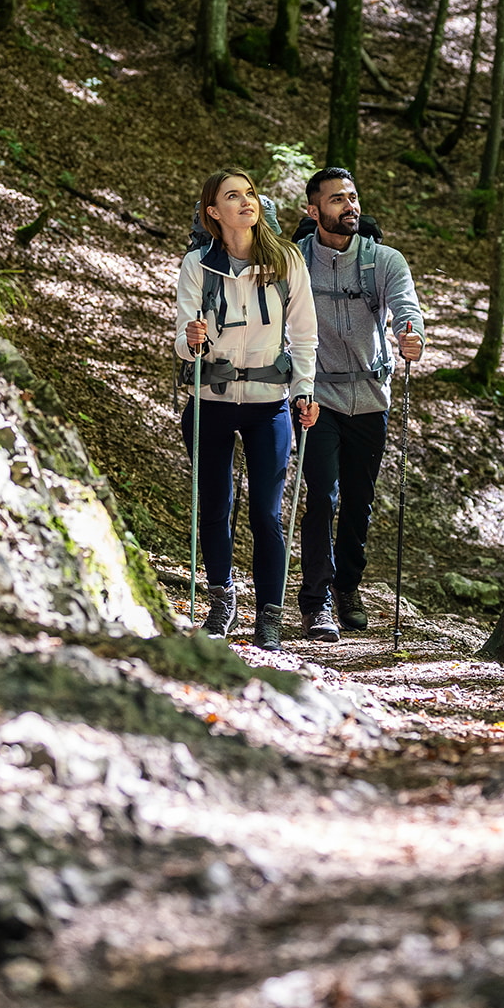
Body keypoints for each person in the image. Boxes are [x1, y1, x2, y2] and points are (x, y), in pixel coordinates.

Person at [176, 168, 318, 651]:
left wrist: (305, 391)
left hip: (269, 405)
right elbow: (182, 335)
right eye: (232, 196)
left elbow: (304, 334)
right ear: (213, 212)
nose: (246, 202)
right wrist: (189, 341)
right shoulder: (198, 264)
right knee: (215, 507)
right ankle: (221, 601)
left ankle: (269, 617)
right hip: (210, 401)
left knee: (266, 514)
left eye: (250, 193)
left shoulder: (287, 262)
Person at [292, 167, 424, 641]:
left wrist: (413, 336)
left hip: (370, 397)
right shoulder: (295, 260)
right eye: (336, 200)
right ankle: (317, 601)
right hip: (317, 396)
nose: (350, 206)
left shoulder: (383, 260)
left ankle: (348, 587)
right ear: (314, 211)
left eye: (352, 197)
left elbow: (407, 308)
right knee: (322, 498)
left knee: (359, 502)